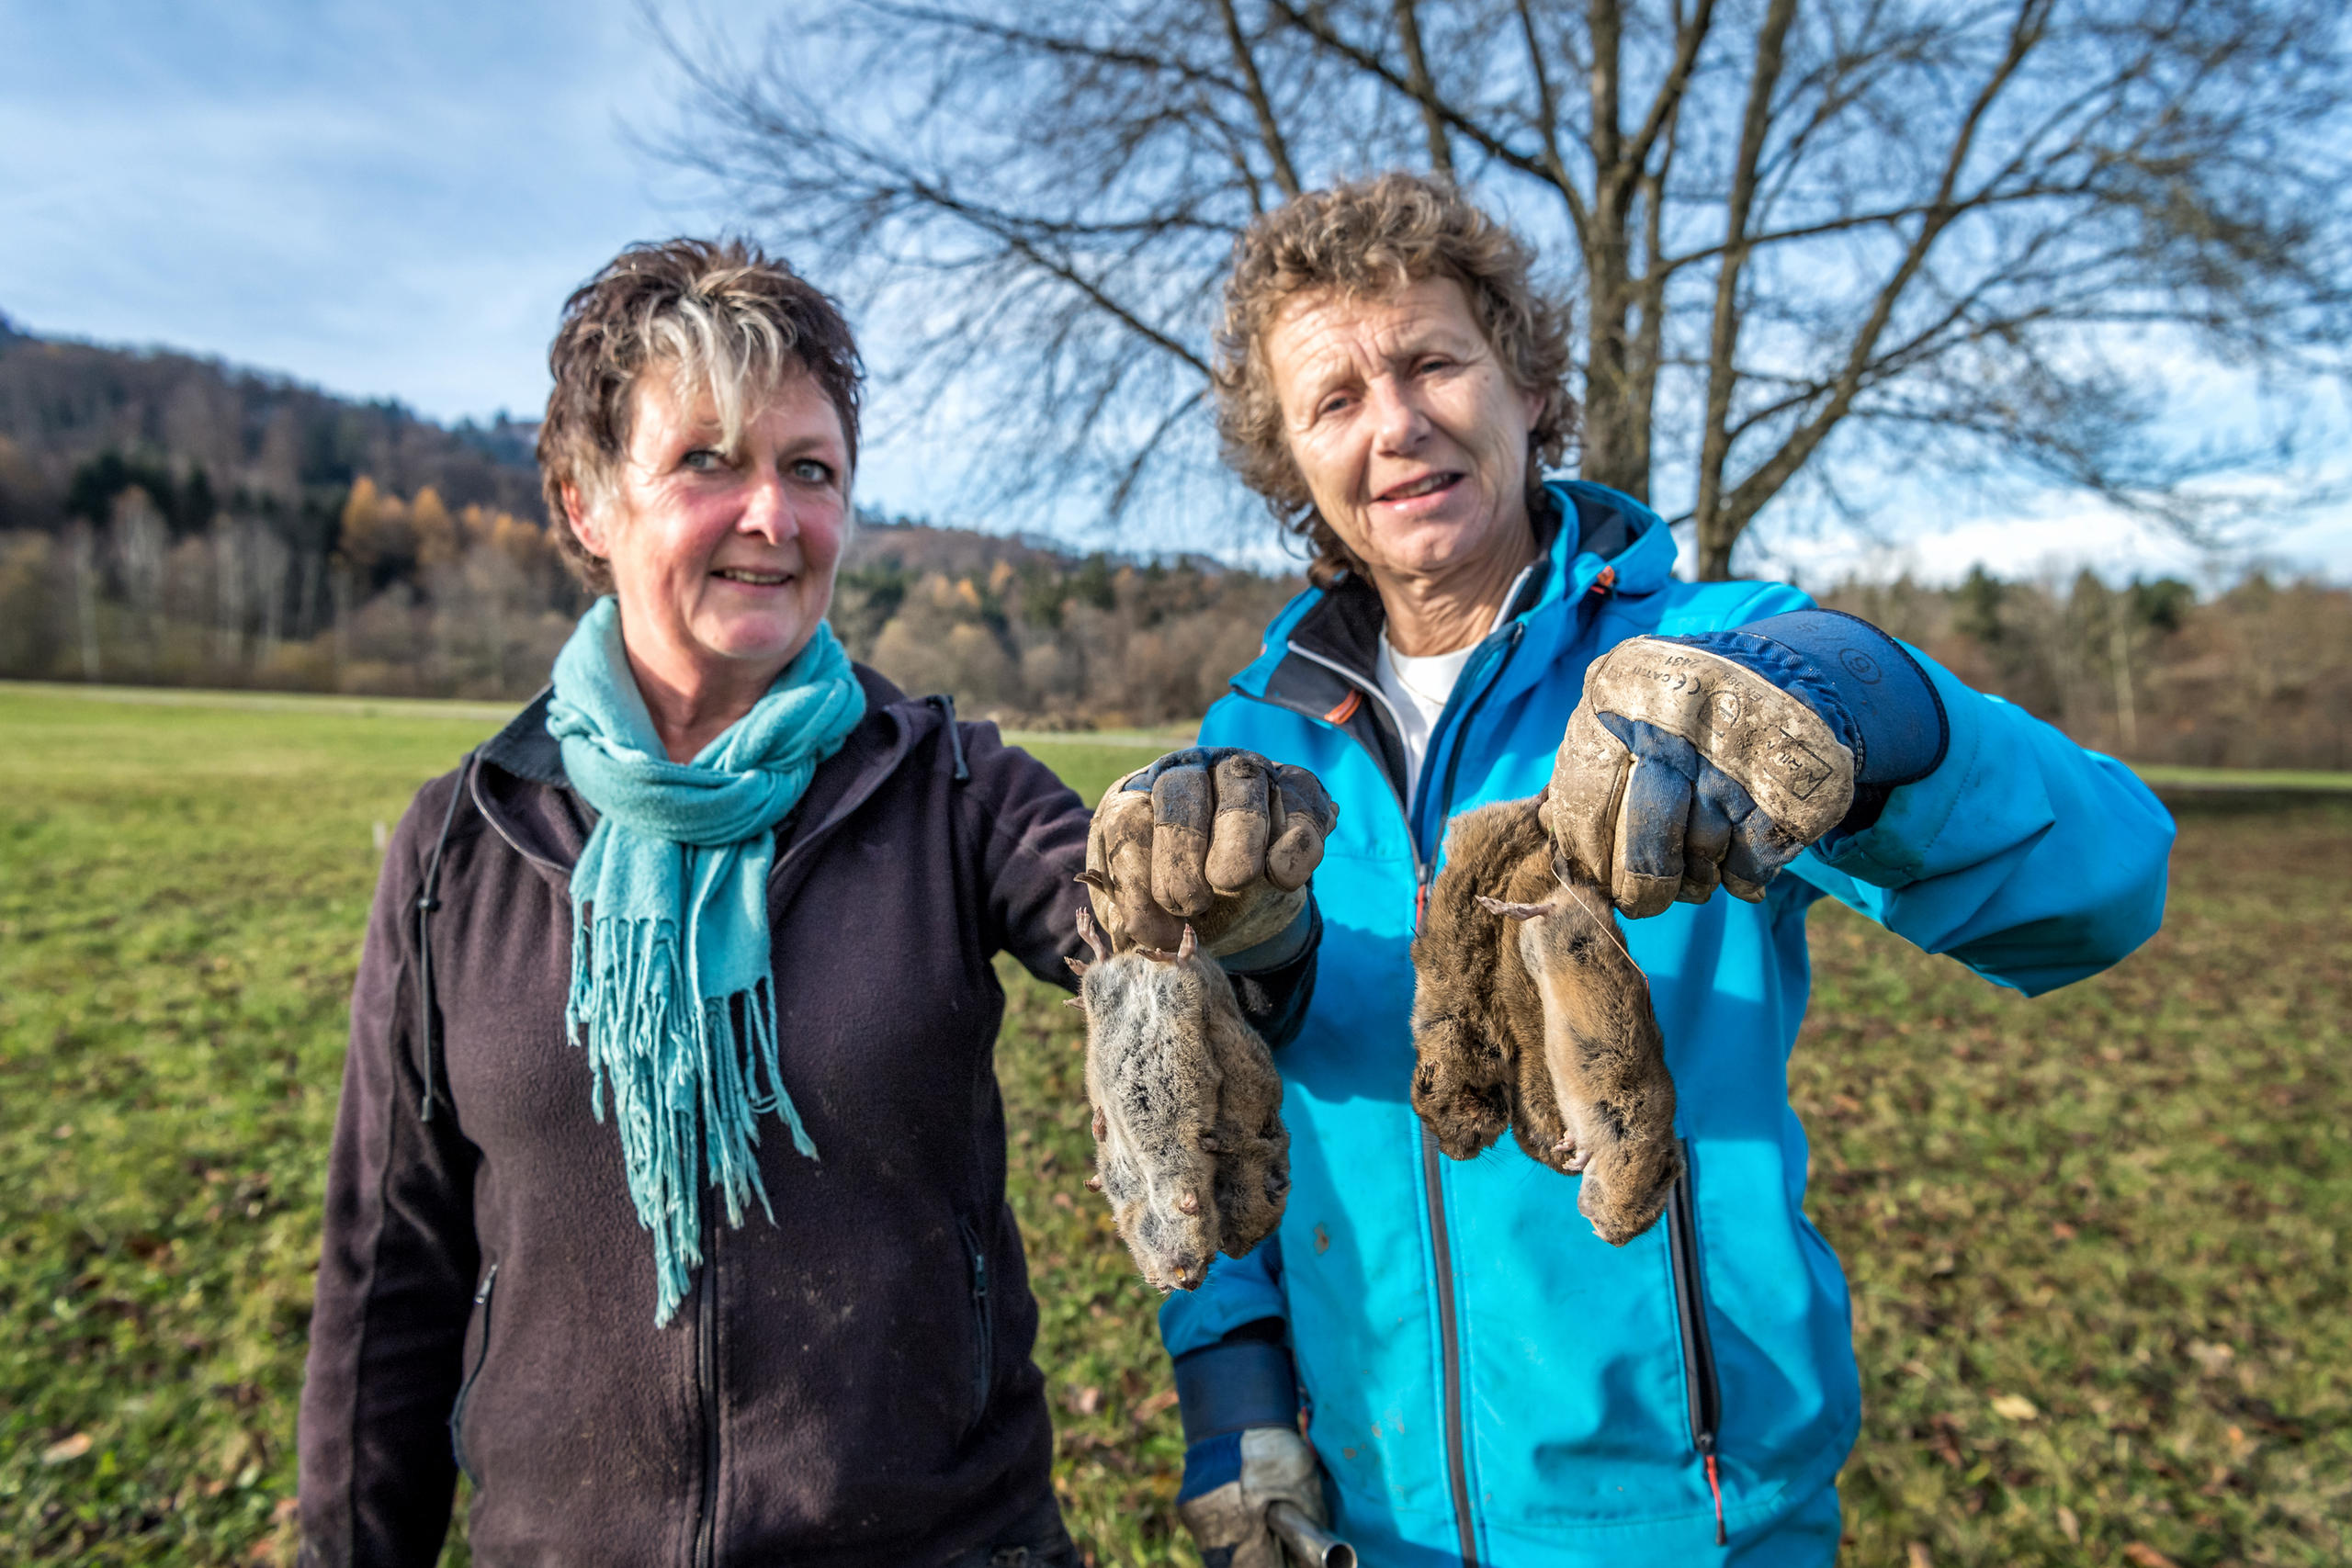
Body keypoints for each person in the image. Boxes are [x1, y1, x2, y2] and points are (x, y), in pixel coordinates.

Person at [1158, 174, 2174, 1567]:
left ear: (1524, 381)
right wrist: (1236, 1402)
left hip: (1685, 1517)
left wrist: (1877, 710)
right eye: (1333, 399)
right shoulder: (1255, 742)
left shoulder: (1722, 653)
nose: (1393, 425)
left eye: (1432, 360)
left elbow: (2107, 886)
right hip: (1370, 1506)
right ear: (1291, 460)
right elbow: (1212, 1113)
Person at [293, 238, 1332, 1567]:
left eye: (810, 469)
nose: (772, 516)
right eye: (706, 462)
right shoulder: (462, 844)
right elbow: (390, 1277)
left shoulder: (952, 784)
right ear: (584, 501)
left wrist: (1233, 894)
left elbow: (1164, 940)